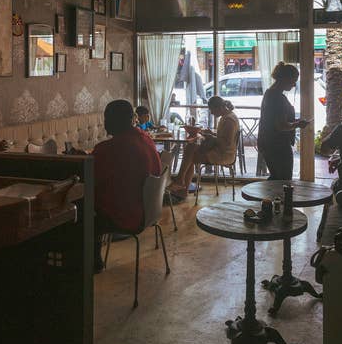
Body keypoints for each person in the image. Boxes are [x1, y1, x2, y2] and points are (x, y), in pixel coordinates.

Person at [93, 100, 162, 273]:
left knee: (80, 213)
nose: (105, 123)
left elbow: (92, 178)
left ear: (116, 120)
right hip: (149, 211)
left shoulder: (109, 148)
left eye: (107, 118)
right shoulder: (145, 139)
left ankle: (90, 264)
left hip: (127, 215)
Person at [168, 96, 239, 199]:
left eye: (212, 110)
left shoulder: (229, 120)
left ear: (219, 107)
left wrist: (211, 137)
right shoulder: (226, 117)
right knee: (190, 150)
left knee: (190, 152)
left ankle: (181, 183)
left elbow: (225, 143)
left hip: (223, 155)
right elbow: (223, 139)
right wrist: (212, 135)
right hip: (220, 151)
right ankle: (181, 185)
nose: (211, 113)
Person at [257, 62, 310, 180]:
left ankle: (269, 198)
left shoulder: (270, 93)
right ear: (286, 79)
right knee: (283, 179)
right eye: (294, 80)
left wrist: (294, 122)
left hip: (268, 143)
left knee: (276, 177)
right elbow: (281, 126)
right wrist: (298, 124)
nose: (294, 84)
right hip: (278, 145)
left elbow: (275, 119)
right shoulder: (277, 98)